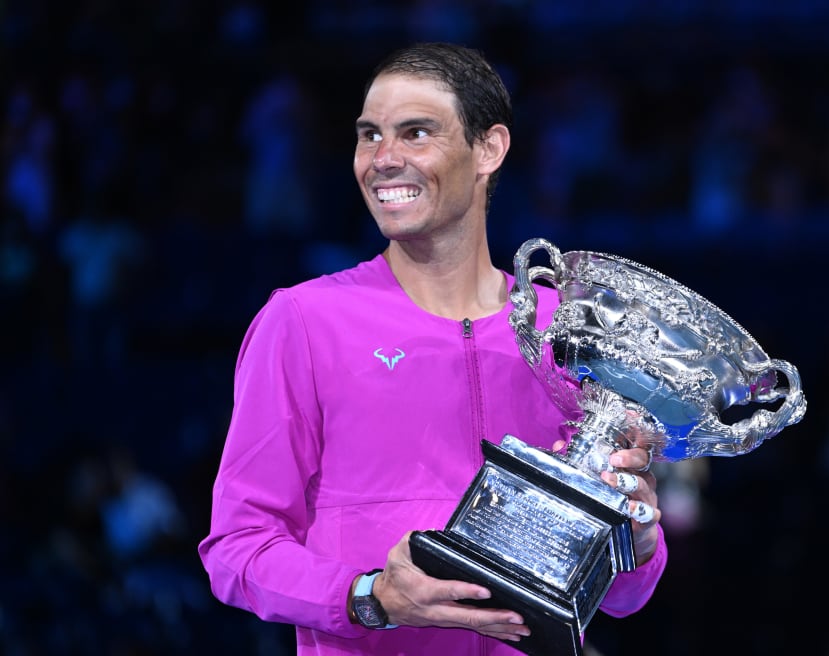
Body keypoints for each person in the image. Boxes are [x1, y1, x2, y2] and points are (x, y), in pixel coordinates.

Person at [199, 42, 667, 655]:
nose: (382, 160)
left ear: (489, 149)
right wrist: (369, 598)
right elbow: (238, 549)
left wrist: (638, 540)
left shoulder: (565, 332)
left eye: (415, 133)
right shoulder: (305, 321)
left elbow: (622, 596)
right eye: (370, 136)